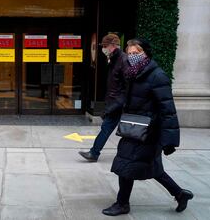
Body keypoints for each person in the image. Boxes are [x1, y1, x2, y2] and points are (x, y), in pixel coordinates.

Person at [102, 38, 193, 216]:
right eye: (129, 54)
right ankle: (180, 194)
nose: (131, 57)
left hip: (149, 132)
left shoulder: (157, 76)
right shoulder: (133, 73)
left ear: (146, 53)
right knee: (152, 168)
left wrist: (169, 141)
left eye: (136, 53)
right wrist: (111, 110)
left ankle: (122, 204)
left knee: (125, 165)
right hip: (134, 128)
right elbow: (128, 99)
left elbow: (168, 110)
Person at [79, 33, 128, 162]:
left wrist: (117, 104)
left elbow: (126, 86)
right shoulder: (114, 59)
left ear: (113, 46)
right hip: (114, 103)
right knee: (110, 129)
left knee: (111, 129)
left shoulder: (123, 60)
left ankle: (94, 153)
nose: (103, 49)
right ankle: (94, 153)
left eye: (105, 46)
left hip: (118, 104)